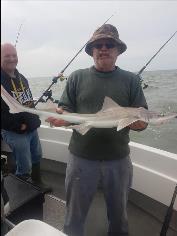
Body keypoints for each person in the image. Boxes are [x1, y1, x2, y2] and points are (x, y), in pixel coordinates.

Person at [46, 24, 148, 236]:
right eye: (98, 45)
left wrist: (141, 123)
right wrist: (61, 118)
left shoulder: (131, 80)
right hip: (81, 159)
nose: (103, 48)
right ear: (92, 50)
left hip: (118, 160)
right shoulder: (76, 77)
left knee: (119, 217)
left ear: (118, 51)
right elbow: (66, 110)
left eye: (109, 44)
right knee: (74, 215)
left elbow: (143, 118)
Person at [1, 43, 51, 192]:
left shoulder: (21, 78)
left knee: (37, 155)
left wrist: (35, 120)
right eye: (7, 56)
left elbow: (29, 103)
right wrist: (18, 126)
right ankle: (22, 192)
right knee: (24, 164)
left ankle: (37, 182)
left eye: (14, 55)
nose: (12, 59)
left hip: (31, 127)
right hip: (14, 131)